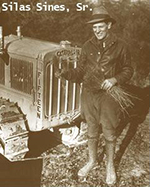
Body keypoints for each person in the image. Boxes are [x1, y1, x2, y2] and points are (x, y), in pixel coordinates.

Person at [55, 5, 133, 185]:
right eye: (94, 26)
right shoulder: (87, 46)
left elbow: (128, 69)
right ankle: (91, 160)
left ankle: (110, 166)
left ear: (108, 26)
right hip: (89, 93)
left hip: (109, 94)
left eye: (100, 26)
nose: (97, 30)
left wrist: (114, 79)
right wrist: (66, 74)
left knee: (109, 130)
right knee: (91, 128)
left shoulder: (120, 46)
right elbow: (81, 71)